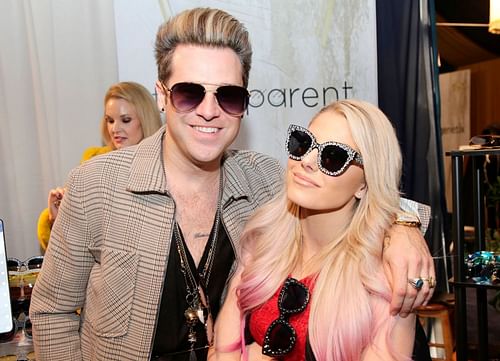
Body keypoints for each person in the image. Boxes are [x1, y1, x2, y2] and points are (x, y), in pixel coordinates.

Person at [30, 7, 434, 361]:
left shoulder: (266, 180)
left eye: (229, 96)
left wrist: (405, 228)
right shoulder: (96, 184)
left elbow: (357, 189)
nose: (209, 111)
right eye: (189, 94)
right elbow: (51, 311)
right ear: (161, 95)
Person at [214, 99, 434, 360]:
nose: (306, 161)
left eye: (333, 156)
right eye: (303, 143)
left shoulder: (386, 275)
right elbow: (221, 352)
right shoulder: (262, 244)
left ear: (365, 184)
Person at [36, 81, 162, 250]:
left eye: (125, 120)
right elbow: (73, 254)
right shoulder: (93, 165)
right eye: (110, 120)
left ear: (145, 120)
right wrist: (58, 220)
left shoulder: (164, 168)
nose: (115, 129)